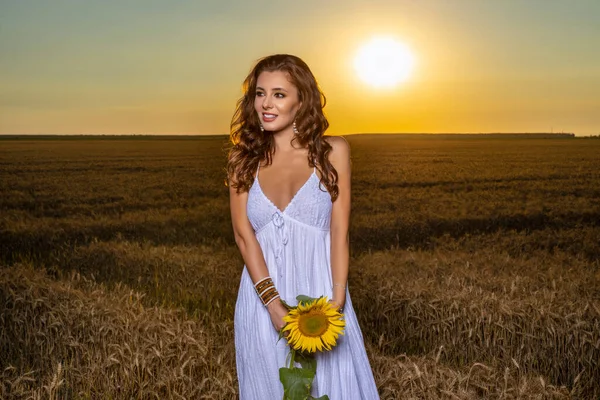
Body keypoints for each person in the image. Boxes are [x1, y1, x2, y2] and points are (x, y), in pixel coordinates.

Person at [227, 54, 379, 399]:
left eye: (279, 94)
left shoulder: (333, 151)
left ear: (302, 100)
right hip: (261, 299)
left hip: (321, 295)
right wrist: (273, 305)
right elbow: (243, 234)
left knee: (333, 388)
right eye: (260, 93)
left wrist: (336, 303)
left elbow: (340, 232)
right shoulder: (242, 158)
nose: (266, 104)